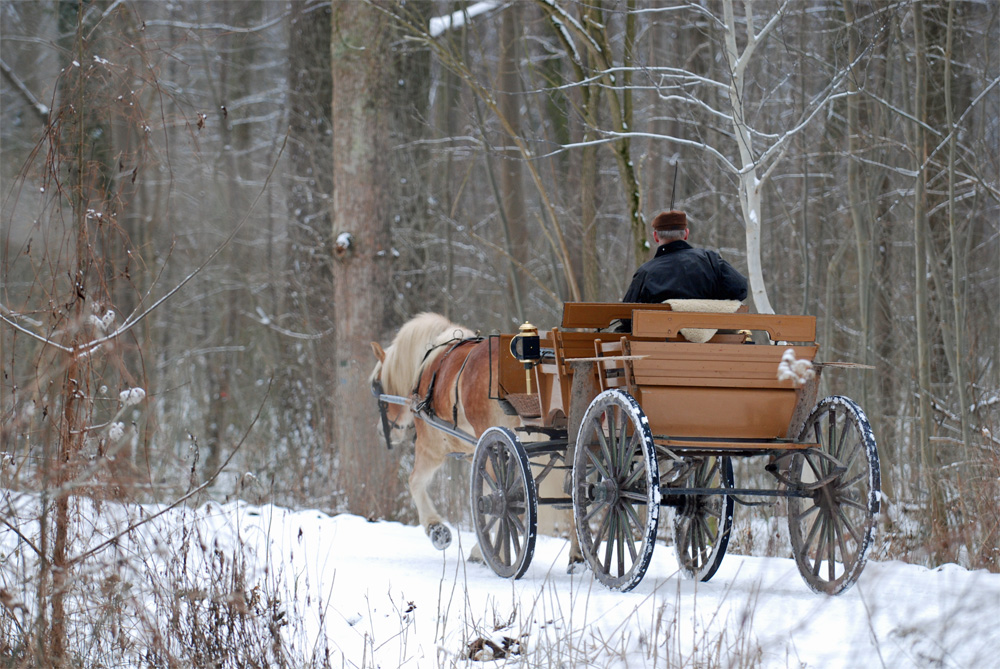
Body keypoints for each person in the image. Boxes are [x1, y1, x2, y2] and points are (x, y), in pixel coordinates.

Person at [622, 210, 748, 303]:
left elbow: (625, 315)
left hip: (660, 337)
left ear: (655, 236)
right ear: (686, 234)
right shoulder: (711, 260)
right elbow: (740, 289)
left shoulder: (645, 272)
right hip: (710, 337)